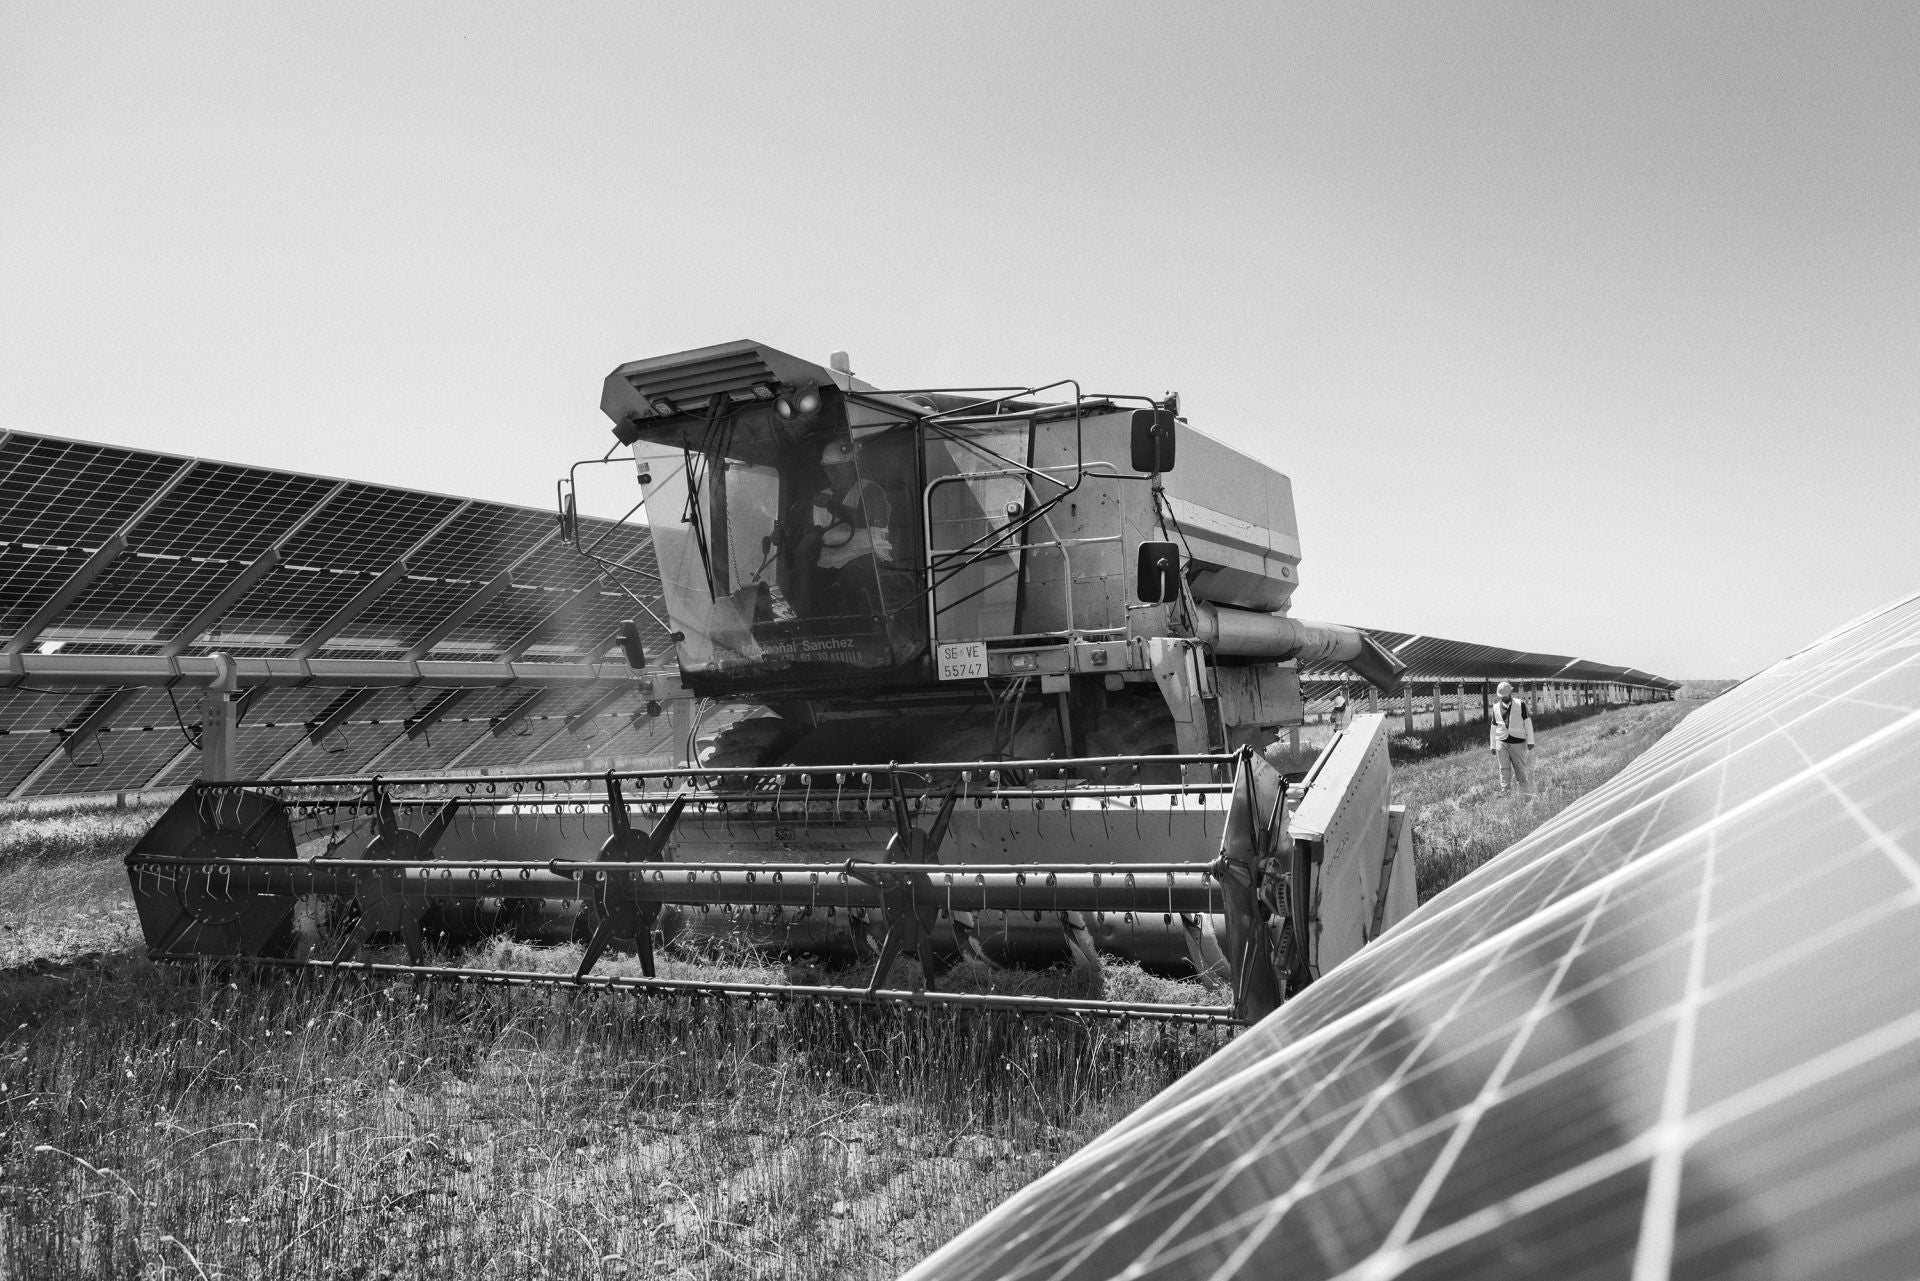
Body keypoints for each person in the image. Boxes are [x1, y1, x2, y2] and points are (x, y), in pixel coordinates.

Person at [1489, 680, 1535, 792]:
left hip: (1518, 742)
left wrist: (1531, 741)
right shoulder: (1495, 707)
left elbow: (1528, 723)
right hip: (1501, 742)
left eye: (1506, 695)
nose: (1504, 697)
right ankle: (1505, 792)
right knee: (1504, 769)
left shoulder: (1521, 704)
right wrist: (1493, 745)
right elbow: (1493, 727)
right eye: (1502, 696)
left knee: (1520, 769)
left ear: (1510, 693)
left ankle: (1525, 792)